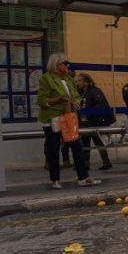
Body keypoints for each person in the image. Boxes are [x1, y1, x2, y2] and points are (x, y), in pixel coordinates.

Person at [37, 53, 101, 189]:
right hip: (53, 119)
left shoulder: (69, 79)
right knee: (54, 149)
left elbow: (76, 95)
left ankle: (83, 177)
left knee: (77, 147)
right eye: (65, 63)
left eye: (67, 63)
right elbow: (41, 100)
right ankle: (54, 179)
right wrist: (58, 99)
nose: (68, 66)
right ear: (56, 65)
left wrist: (76, 102)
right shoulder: (46, 79)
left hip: (68, 118)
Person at [75, 72, 114, 171]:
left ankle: (106, 162)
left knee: (98, 142)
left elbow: (100, 105)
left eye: (80, 80)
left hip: (93, 122)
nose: (77, 83)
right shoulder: (81, 92)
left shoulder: (94, 91)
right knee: (85, 143)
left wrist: (88, 110)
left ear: (86, 82)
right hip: (84, 122)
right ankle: (85, 163)